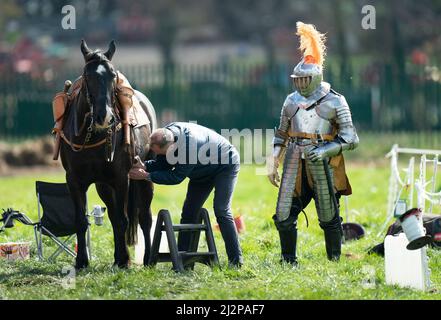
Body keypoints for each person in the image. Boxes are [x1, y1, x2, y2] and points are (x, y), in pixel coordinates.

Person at [268, 22, 359, 266]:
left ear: (315, 77)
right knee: (284, 215)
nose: (300, 83)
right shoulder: (290, 101)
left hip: (324, 161)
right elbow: (282, 135)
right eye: (297, 79)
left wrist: (327, 149)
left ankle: (334, 259)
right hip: (294, 160)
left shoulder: (335, 101)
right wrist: (273, 161)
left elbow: (351, 138)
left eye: (304, 78)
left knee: (329, 215)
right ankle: (288, 260)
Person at [129, 122, 243, 267]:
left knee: (221, 209)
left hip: (225, 164)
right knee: (189, 212)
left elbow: (176, 177)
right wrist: (145, 165)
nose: (157, 155)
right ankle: (183, 261)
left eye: (158, 152)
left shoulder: (188, 147)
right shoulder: (168, 135)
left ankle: (236, 261)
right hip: (201, 171)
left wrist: (146, 176)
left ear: (171, 147)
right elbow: (164, 162)